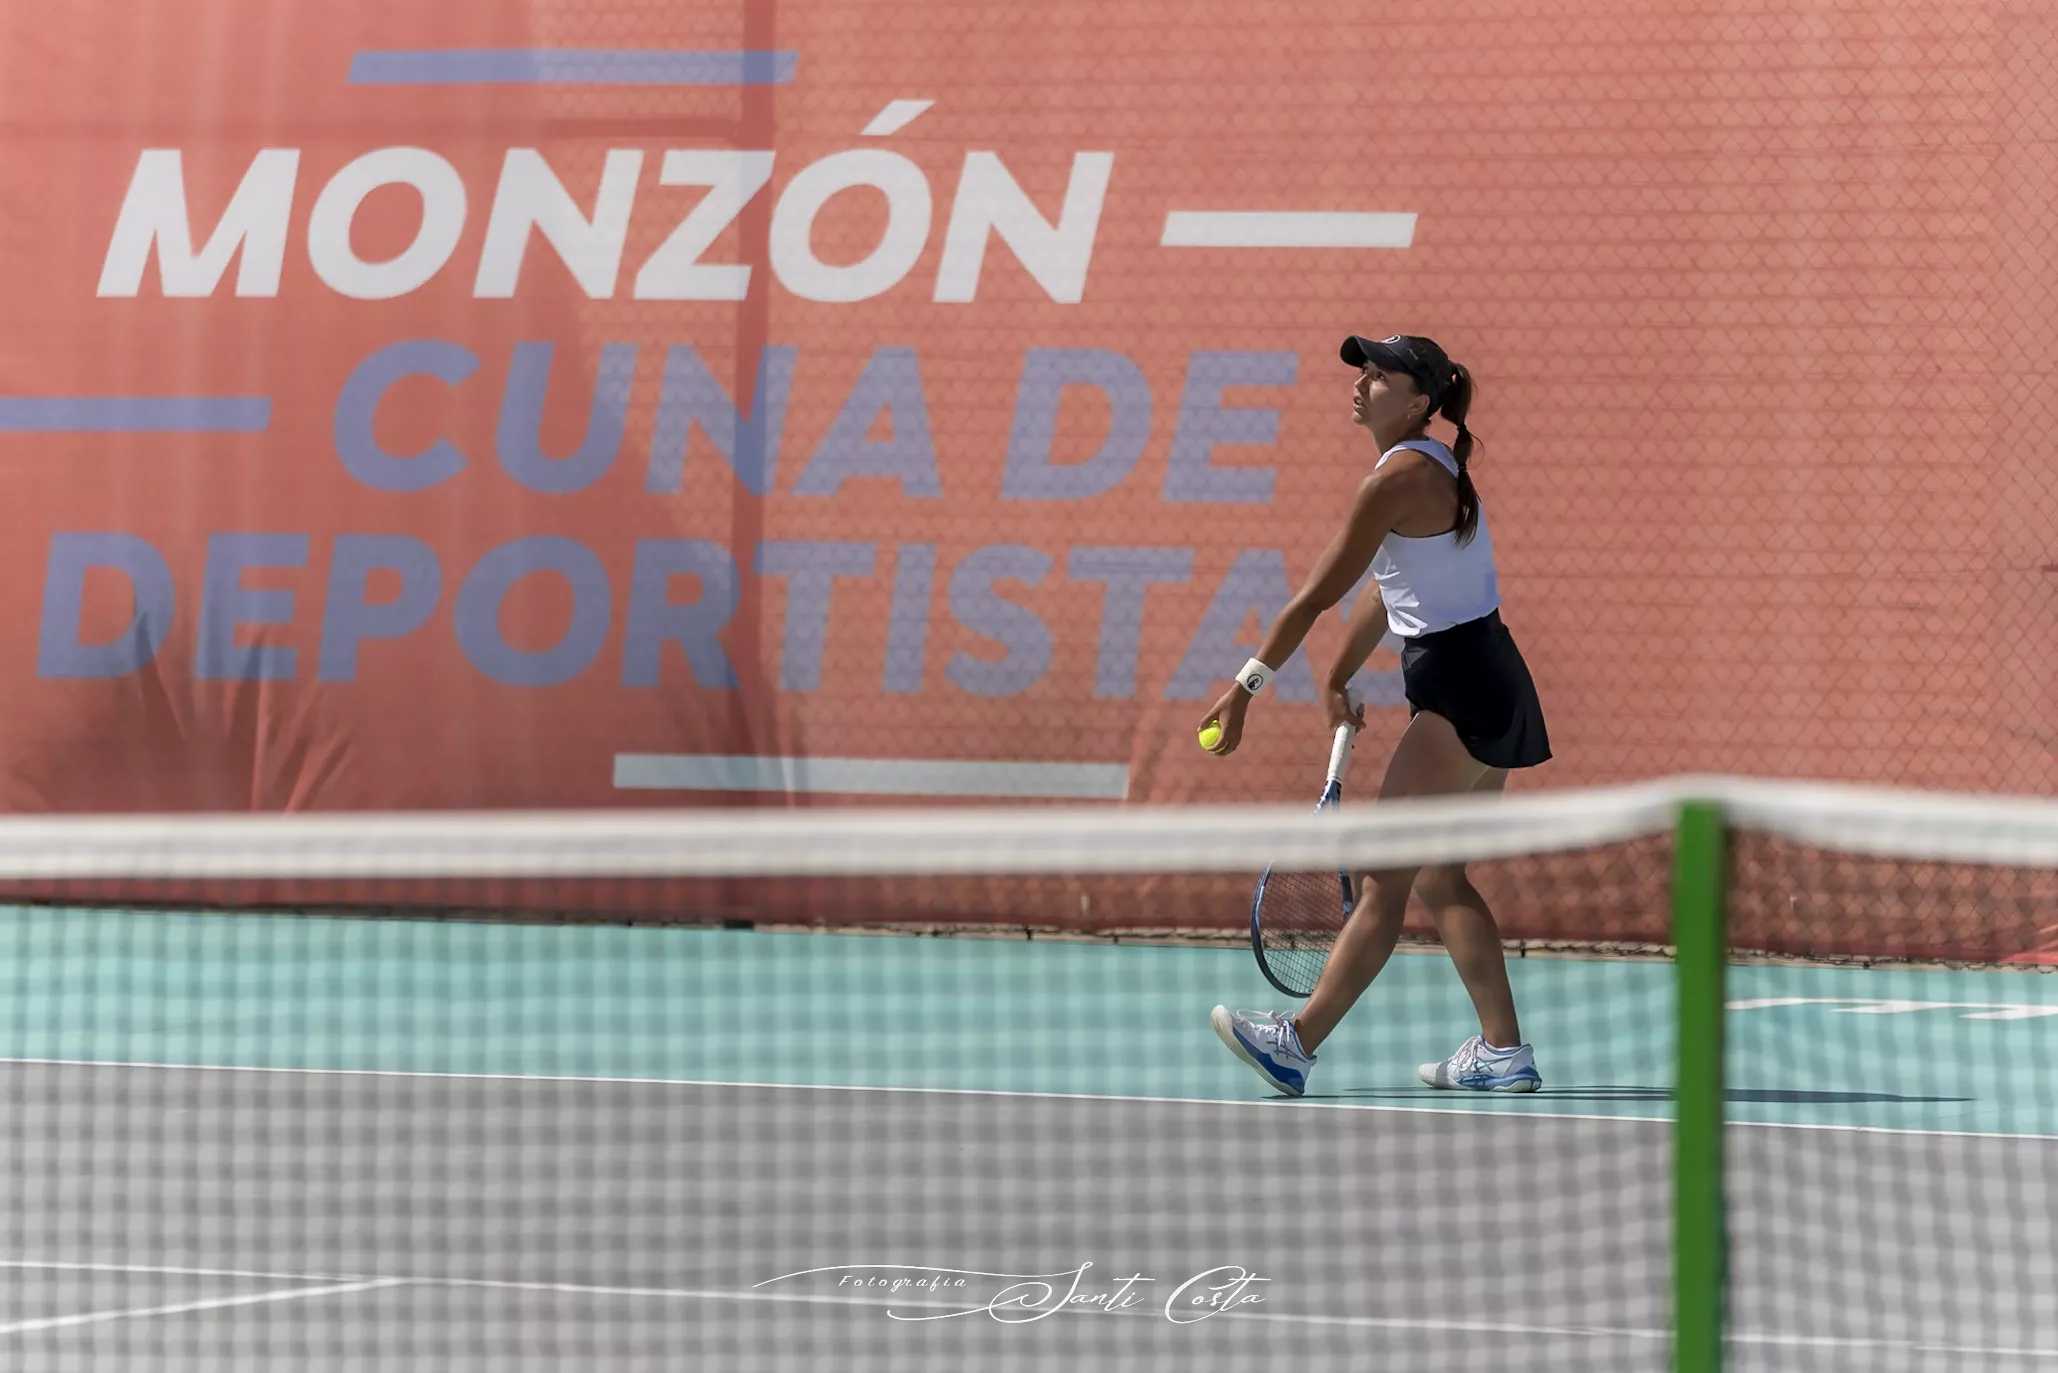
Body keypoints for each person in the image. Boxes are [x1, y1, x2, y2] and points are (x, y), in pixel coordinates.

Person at [1201, 333, 1551, 1098]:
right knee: (1440, 876)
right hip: (1495, 678)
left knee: (1384, 877)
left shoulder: (1394, 479)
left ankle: (1295, 1043)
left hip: (1459, 688)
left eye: (1381, 375)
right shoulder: (1435, 465)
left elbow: (1315, 595)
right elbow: (1382, 588)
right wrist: (1337, 671)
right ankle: (1504, 1052)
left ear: (1421, 400)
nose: (1362, 384)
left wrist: (1245, 687)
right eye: (1362, 373)